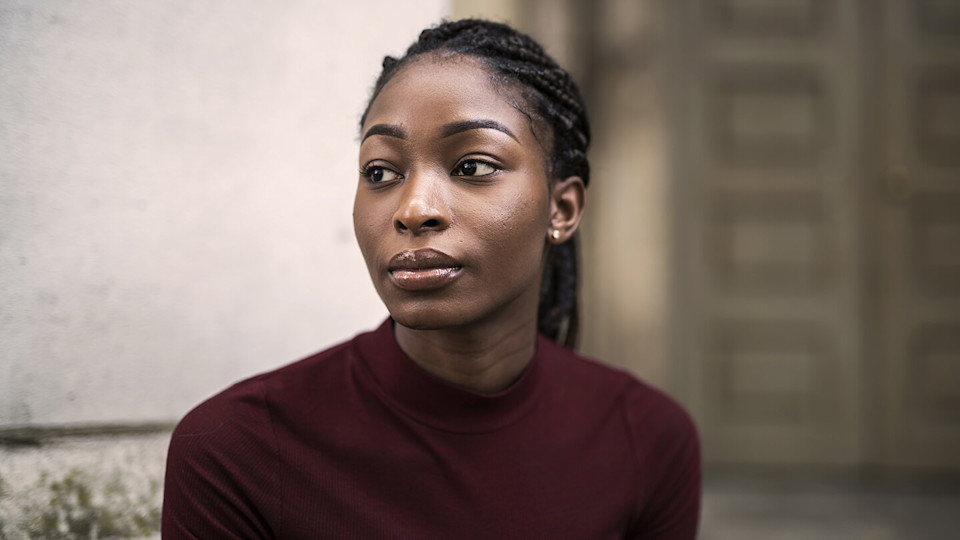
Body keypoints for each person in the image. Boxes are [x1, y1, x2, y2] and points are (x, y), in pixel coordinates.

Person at [162, 19, 700, 539]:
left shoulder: (647, 439)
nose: (413, 209)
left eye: (472, 166)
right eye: (381, 173)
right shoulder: (235, 453)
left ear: (562, 208)